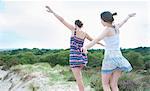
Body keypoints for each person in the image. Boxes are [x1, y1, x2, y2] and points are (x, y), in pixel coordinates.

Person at [45, 6, 104, 91]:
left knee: (79, 80)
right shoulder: (84, 34)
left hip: (74, 57)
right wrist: (101, 44)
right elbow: (94, 40)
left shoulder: (74, 30)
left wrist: (53, 12)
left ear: (75, 25)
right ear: (82, 25)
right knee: (80, 78)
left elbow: (62, 20)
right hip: (82, 58)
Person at [82, 11, 136, 91]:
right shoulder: (116, 27)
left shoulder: (107, 30)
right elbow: (123, 22)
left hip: (109, 59)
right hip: (119, 58)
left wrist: (86, 47)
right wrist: (128, 16)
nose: (101, 22)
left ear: (104, 20)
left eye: (101, 20)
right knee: (114, 85)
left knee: (105, 84)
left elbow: (96, 39)